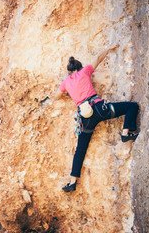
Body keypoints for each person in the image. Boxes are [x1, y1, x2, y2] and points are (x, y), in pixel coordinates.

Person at [53, 44, 139, 193]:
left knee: (80, 149)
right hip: (100, 109)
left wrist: (68, 92)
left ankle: (72, 182)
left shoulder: (66, 82)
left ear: (69, 72)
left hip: (85, 118)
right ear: (79, 68)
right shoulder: (85, 71)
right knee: (132, 106)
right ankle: (125, 133)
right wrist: (109, 47)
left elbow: (56, 96)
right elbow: (98, 58)